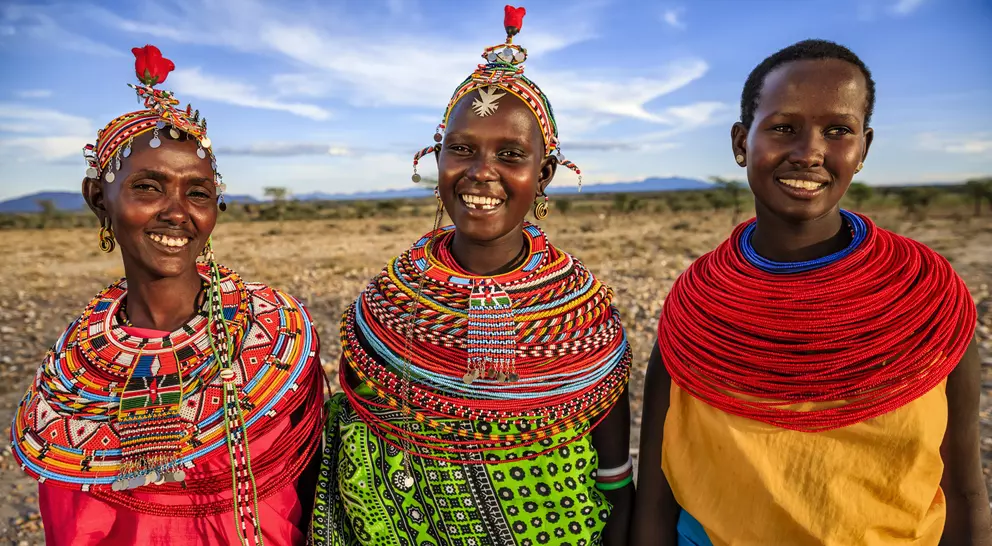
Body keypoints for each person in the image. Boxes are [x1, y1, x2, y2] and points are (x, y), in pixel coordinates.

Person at [631, 39, 992, 546]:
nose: (809, 152)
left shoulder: (926, 295)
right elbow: (656, 495)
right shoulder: (699, 303)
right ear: (741, 143)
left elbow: (964, 490)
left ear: (863, 148)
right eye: (783, 128)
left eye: (838, 130)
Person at [311, 6, 633, 546]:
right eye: (461, 149)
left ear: (544, 174)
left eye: (511, 154)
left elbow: (616, 491)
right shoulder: (384, 311)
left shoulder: (584, 324)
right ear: (437, 160)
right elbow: (349, 451)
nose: (482, 172)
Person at [9, 45, 324, 546]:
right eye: (149, 188)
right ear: (99, 200)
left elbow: (310, 503)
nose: (177, 212)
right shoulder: (72, 372)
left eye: (197, 193)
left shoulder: (276, 339)